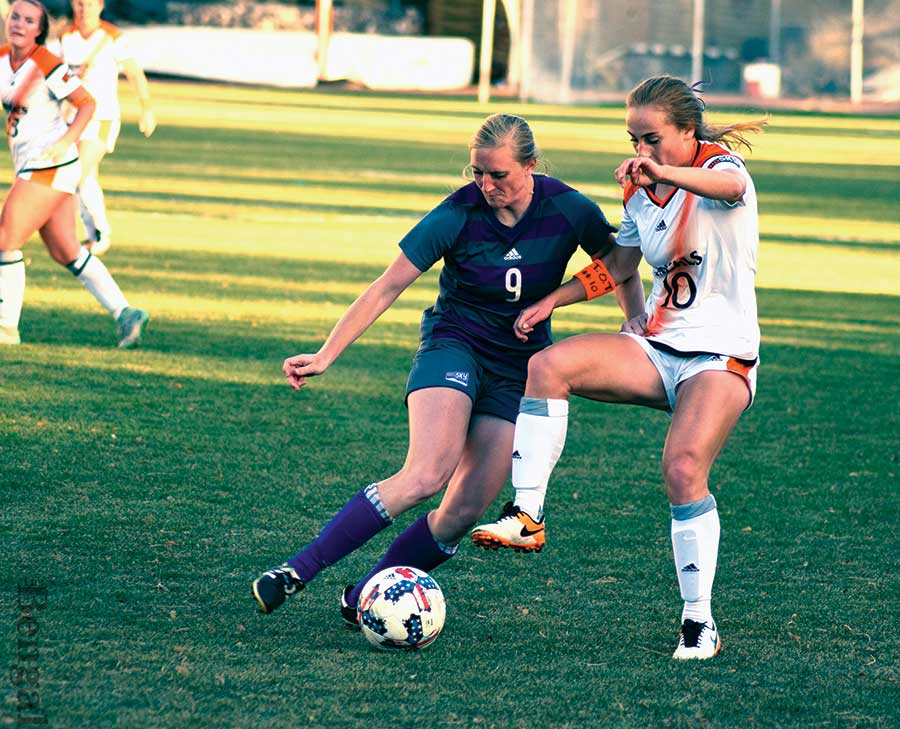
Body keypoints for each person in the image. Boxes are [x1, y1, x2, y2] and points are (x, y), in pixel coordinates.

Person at [252, 113, 645, 622]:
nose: (485, 185)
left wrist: (632, 321)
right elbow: (387, 285)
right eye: (477, 172)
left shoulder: (567, 208)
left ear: (530, 166)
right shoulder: (457, 213)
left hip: (520, 371)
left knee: (461, 514)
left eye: (498, 174)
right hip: (453, 345)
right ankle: (297, 570)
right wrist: (327, 354)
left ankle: (365, 596)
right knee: (425, 474)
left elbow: (620, 265)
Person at [471, 75, 767, 660]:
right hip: (658, 346)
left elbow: (727, 187)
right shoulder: (639, 189)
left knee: (682, 470)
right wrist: (551, 301)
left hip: (720, 355)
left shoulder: (719, 167)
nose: (641, 152)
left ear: (688, 131)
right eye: (634, 139)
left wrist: (664, 173)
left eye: (653, 139)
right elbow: (620, 264)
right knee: (549, 365)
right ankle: (526, 513)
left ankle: (698, 622)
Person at [0, 0, 148, 346]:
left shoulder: (46, 63)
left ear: (39, 30)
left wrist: (65, 140)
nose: (19, 24)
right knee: (66, 251)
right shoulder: (3, 58)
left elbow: (87, 103)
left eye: (29, 20)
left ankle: (5, 328)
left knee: (5, 239)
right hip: (34, 166)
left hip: (50, 165)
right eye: (15, 17)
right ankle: (126, 313)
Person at [55, 0, 156, 256]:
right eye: (78, 4)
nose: (83, 9)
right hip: (71, 120)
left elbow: (134, 72)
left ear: (99, 6)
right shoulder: (65, 37)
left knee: (78, 172)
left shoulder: (112, 37)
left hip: (103, 118)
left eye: (88, 4)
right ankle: (95, 235)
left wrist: (146, 109)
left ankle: (97, 233)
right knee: (85, 178)